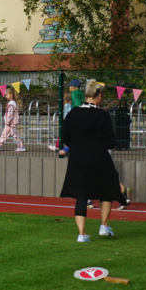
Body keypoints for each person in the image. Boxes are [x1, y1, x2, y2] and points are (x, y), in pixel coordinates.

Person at [59, 81, 128, 241]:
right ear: (99, 96)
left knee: (82, 195)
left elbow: (66, 137)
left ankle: (81, 234)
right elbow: (110, 141)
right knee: (107, 191)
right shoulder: (102, 115)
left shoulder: (73, 113)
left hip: (78, 159)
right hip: (99, 158)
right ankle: (104, 225)